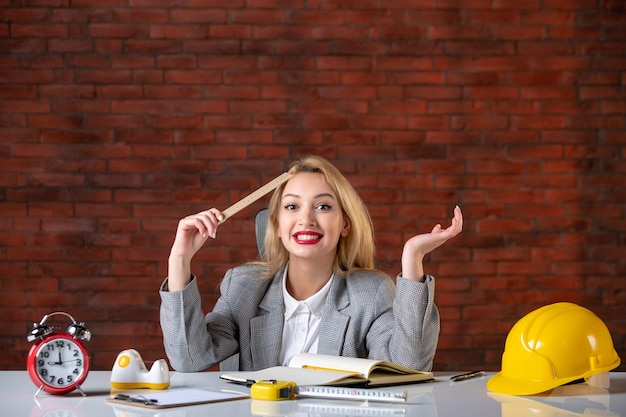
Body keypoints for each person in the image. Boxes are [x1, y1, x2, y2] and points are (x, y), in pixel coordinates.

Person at [160, 155, 463, 372]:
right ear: (277, 225)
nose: (306, 219)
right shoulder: (244, 286)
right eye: (292, 206)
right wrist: (180, 259)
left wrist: (412, 259)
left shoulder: (371, 293)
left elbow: (408, 368)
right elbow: (190, 359)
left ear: (345, 223)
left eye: (323, 206)